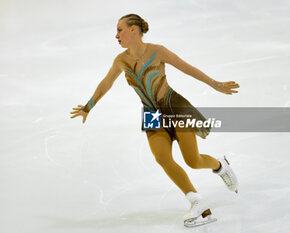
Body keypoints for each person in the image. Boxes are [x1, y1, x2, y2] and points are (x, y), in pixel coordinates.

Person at [70, 13, 240, 227]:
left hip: (174, 107)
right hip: (152, 114)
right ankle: (195, 200)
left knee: (193, 160)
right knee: (162, 158)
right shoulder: (121, 60)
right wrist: (88, 107)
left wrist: (215, 84)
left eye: (120, 29)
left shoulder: (157, 51)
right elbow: (106, 83)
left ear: (133, 30)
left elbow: (187, 68)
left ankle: (220, 166)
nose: (116, 35)